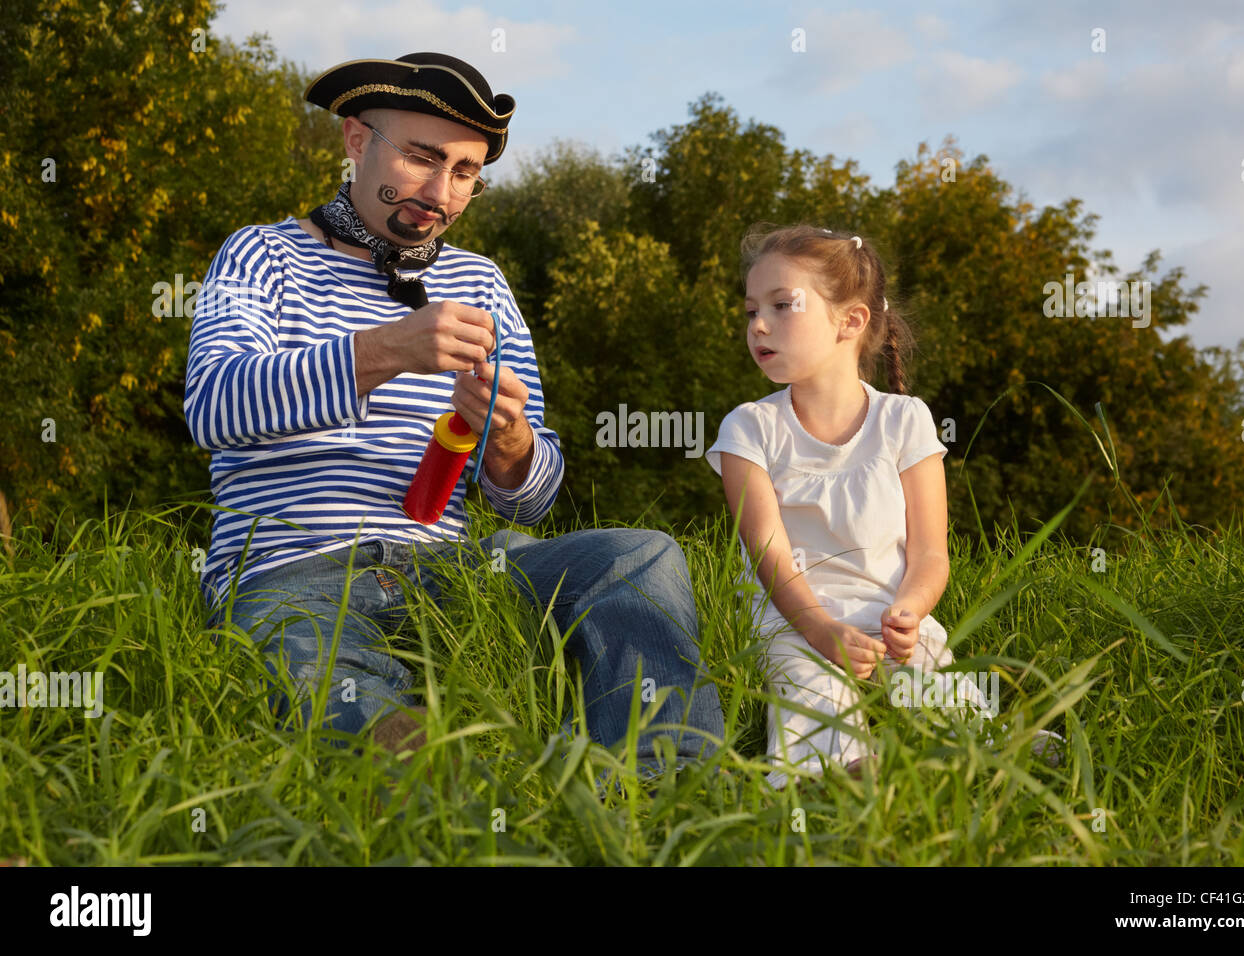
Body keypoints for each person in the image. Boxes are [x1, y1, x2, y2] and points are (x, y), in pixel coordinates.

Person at [184, 52, 723, 771]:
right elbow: (215, 404)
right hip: (294, 572)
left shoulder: (481, 282)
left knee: (639, 556)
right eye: (421, 157)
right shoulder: (260, 255)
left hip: (457, 569)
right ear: (355, 140)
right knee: (325, 681)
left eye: (465, 172)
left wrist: (509, 441)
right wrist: (384, 350)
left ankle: (663, 789)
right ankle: (434, 790)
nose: (441, 192)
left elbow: (532, 501)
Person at [706, 223, 1033, 788]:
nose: (758, 324)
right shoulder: (749, 428)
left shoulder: (904, 421)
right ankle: (839, 775)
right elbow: (767, 551)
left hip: (888, 621)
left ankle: (998, 754)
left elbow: (931, 553)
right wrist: (819, 629)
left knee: (939, 693)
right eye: (751, 310)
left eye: (782, 305)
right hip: (793, 623)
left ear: (850, 321)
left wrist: (909, 611)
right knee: (810, 689)